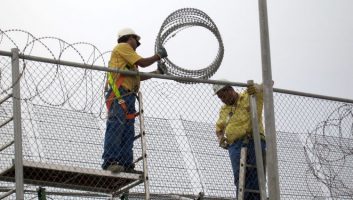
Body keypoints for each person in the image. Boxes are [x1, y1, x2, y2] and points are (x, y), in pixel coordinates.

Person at [102, 28, 168, 172]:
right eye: (136, 40)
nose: (138, 43)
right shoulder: (123, 47)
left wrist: (157, 72)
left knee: (127, 131)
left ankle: (126, 164)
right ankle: (110, 161)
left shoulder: (129, 61)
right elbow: (144, 62)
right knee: (116, 127)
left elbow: (138, 76)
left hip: (128, 95)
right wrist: (158, 55)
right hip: (120, 94)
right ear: (129, 38)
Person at [213, 80, 266, 200]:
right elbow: (219, 128)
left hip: (255, 140)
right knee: (239, 178)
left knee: (256, 177)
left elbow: (269, 84)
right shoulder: (224, 110)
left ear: (230, 90)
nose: (222, 99)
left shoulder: (249, 96)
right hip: (235, 146)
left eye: (223, 95)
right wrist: (221, 138)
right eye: (220, 97)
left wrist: (258, 88)